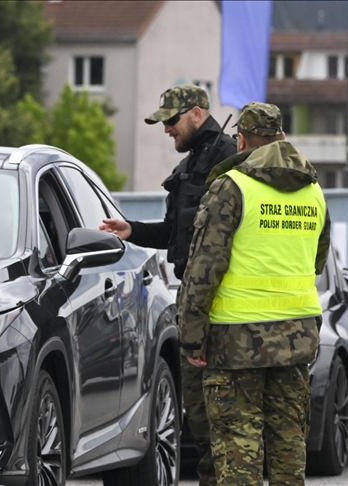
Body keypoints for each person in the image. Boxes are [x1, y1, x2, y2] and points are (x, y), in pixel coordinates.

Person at [177, 102, 331, 486]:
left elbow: (203, 269)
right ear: (281, 138)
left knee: (238, 450)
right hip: (296, 338)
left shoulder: (232, 187)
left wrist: (191, 338)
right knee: (287, 452)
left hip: (234, 343)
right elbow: (317, 262)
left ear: (241, 140)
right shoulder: (313, 190)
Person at [98, 84, 236, 486]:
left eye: (172, 121)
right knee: (198, 415)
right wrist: (131, 230)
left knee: (219, 419)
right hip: (193, 300)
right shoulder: (194, 162)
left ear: (196, 114)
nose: (166, 130)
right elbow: (177, 233)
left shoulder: (227, 159)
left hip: (220, 306)